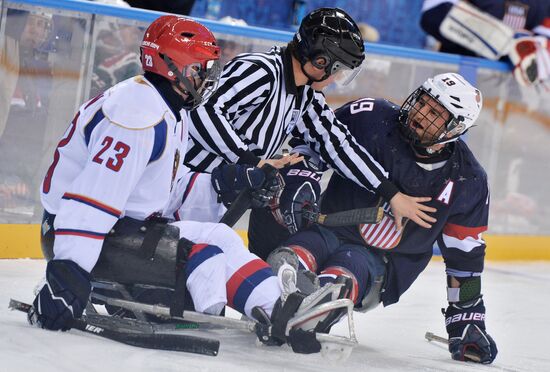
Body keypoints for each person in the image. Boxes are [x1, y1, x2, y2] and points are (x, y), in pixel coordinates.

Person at [28, 15, 350, 353]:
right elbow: (91, 200)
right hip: (78, 237)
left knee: (222, 236)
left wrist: (226, 182)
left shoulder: (165, 106)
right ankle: (265, 309)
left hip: (119, 229)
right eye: (200, 69)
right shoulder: (136, 115)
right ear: (172, 67)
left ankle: (282, 310)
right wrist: (66, 276)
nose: (208, 79)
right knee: (204, 257)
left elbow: (159, 191)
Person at [263, 73, 498, 364]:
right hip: (326, 230)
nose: (420, 113)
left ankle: (317, 303)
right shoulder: (370, 118)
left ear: (455, 128)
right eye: (423, 102)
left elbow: (466, 262)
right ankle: (271, 300)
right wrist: (301, 175)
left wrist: (467, 319)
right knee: (288, 257)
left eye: (435, 113)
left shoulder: (468, 178)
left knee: (340, 279)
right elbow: (314, 142)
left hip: (382, 263)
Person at [185, 7, 436, 232]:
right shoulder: (262, 71)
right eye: (339, 70)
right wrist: (253, 162)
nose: (338, 79)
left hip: (217, 200)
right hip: (185, 189)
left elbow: (337, 144)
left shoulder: (306, 95)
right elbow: (203, 112)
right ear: (320, 61)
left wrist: (390, 193)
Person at [421, 0, 550, 86]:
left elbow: (545, 35)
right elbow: (433, 13)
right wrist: (505, 43)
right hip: (457, 79)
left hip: (511, 93)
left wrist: (537, 46)